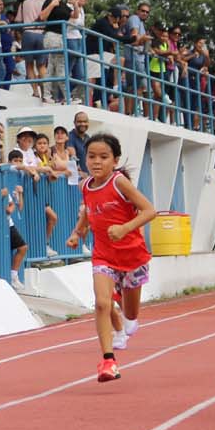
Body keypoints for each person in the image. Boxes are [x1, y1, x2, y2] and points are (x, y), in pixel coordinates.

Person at [66, 132, 155, 382]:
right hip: (103, 255)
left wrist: (125, 228)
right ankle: (108, 361)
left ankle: (128, 321)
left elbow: (150, 211)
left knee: (131, 314)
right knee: (102, 304)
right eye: (91, 156)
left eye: (103, 157)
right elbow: (87, 212)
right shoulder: (85, 186)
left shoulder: (118, 183)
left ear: (114, 160)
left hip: (133, 255)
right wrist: (77, 233)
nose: (96, 162)